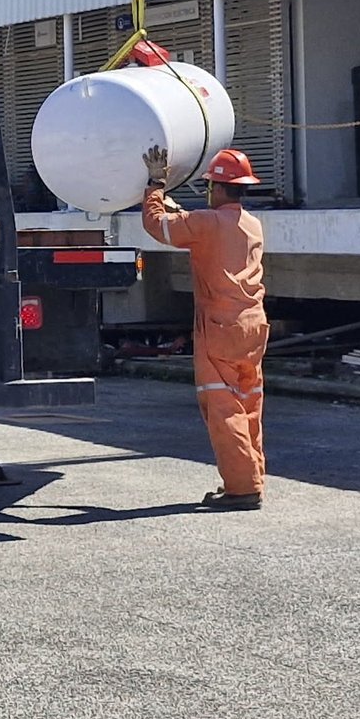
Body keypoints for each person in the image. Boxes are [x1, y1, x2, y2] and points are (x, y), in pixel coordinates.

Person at [141, 145, 268, 510]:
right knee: (249, 405)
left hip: (219, 328)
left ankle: (242, 489)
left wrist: (155, 184)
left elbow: (157, 226)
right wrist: (183, 211)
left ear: (216, 188)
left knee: (223, 406)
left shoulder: (206, 224)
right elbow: (203, 227)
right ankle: (251, 479)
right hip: (253, 326)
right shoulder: (250, 224)